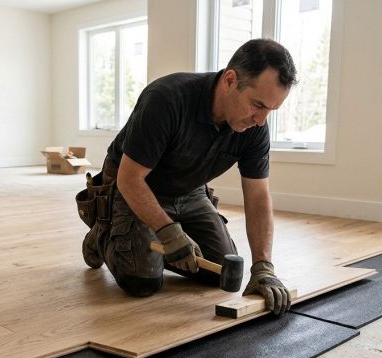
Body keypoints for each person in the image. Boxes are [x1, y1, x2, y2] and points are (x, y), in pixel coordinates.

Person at [77, 38, 296, 315]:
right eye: (258, 105)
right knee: (141, 280)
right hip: (134, 187)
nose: (261, 120)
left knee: (221, 273)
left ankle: (153, 243)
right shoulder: (167, 99)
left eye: (271, 111)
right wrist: (168, 231)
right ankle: (103, 234)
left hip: (189, 192)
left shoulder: (255, 128)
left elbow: (257, 196)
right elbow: (130, 179)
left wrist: (263, 266)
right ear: (230, 80)